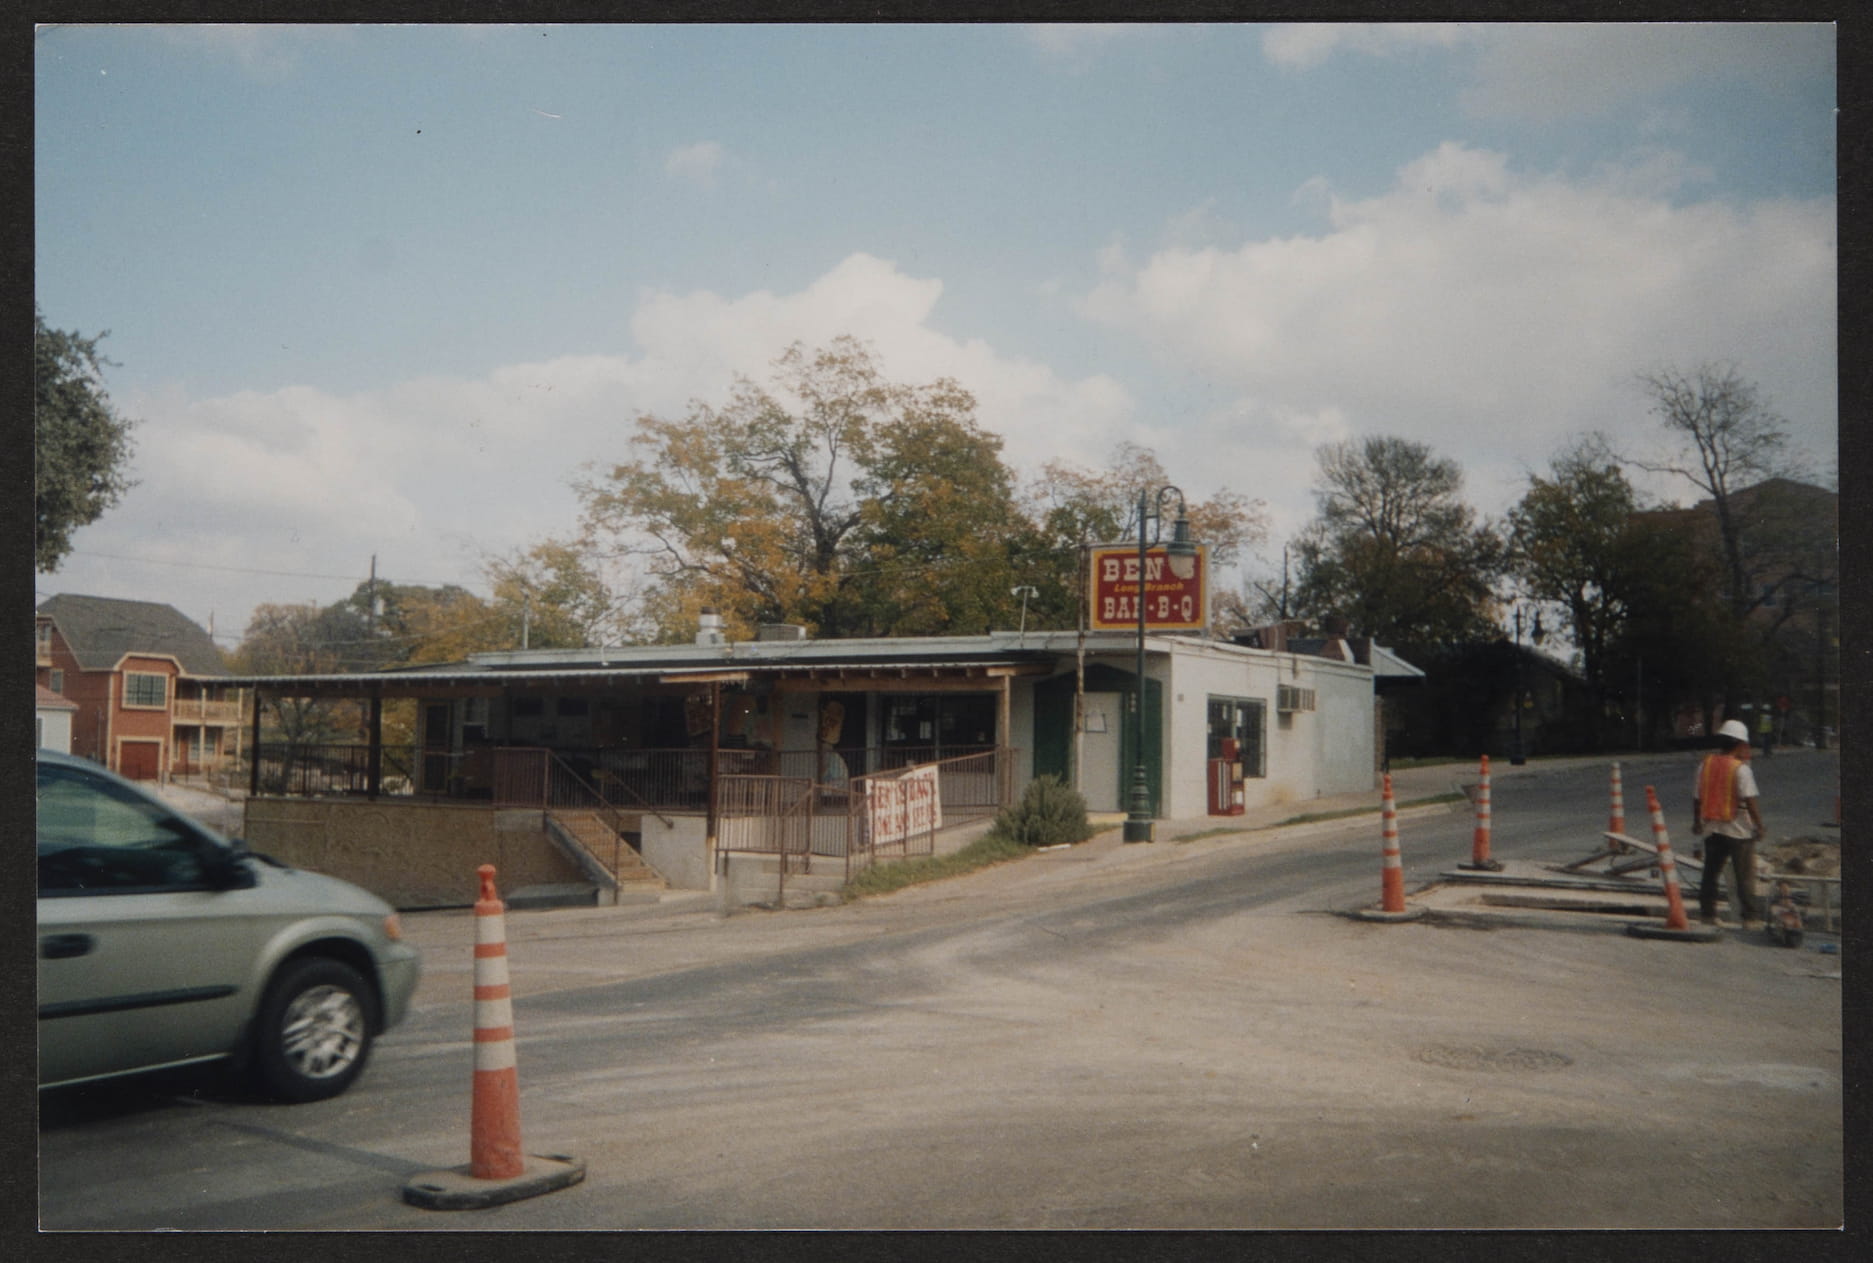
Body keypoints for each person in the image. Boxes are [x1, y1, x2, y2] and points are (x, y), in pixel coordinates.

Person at [1691, 718, 1766, 930]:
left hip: (1712, 827)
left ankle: (1707, 914)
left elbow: (1697, 798)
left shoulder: (1705, 765)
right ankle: (1750, 918)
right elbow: (1750, 800)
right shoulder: (1740, 770)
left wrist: (1697, 822)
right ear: (1741, 744)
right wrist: (1759, 826)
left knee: (1710, 873)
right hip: (1738, 829)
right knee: (1744, 876)